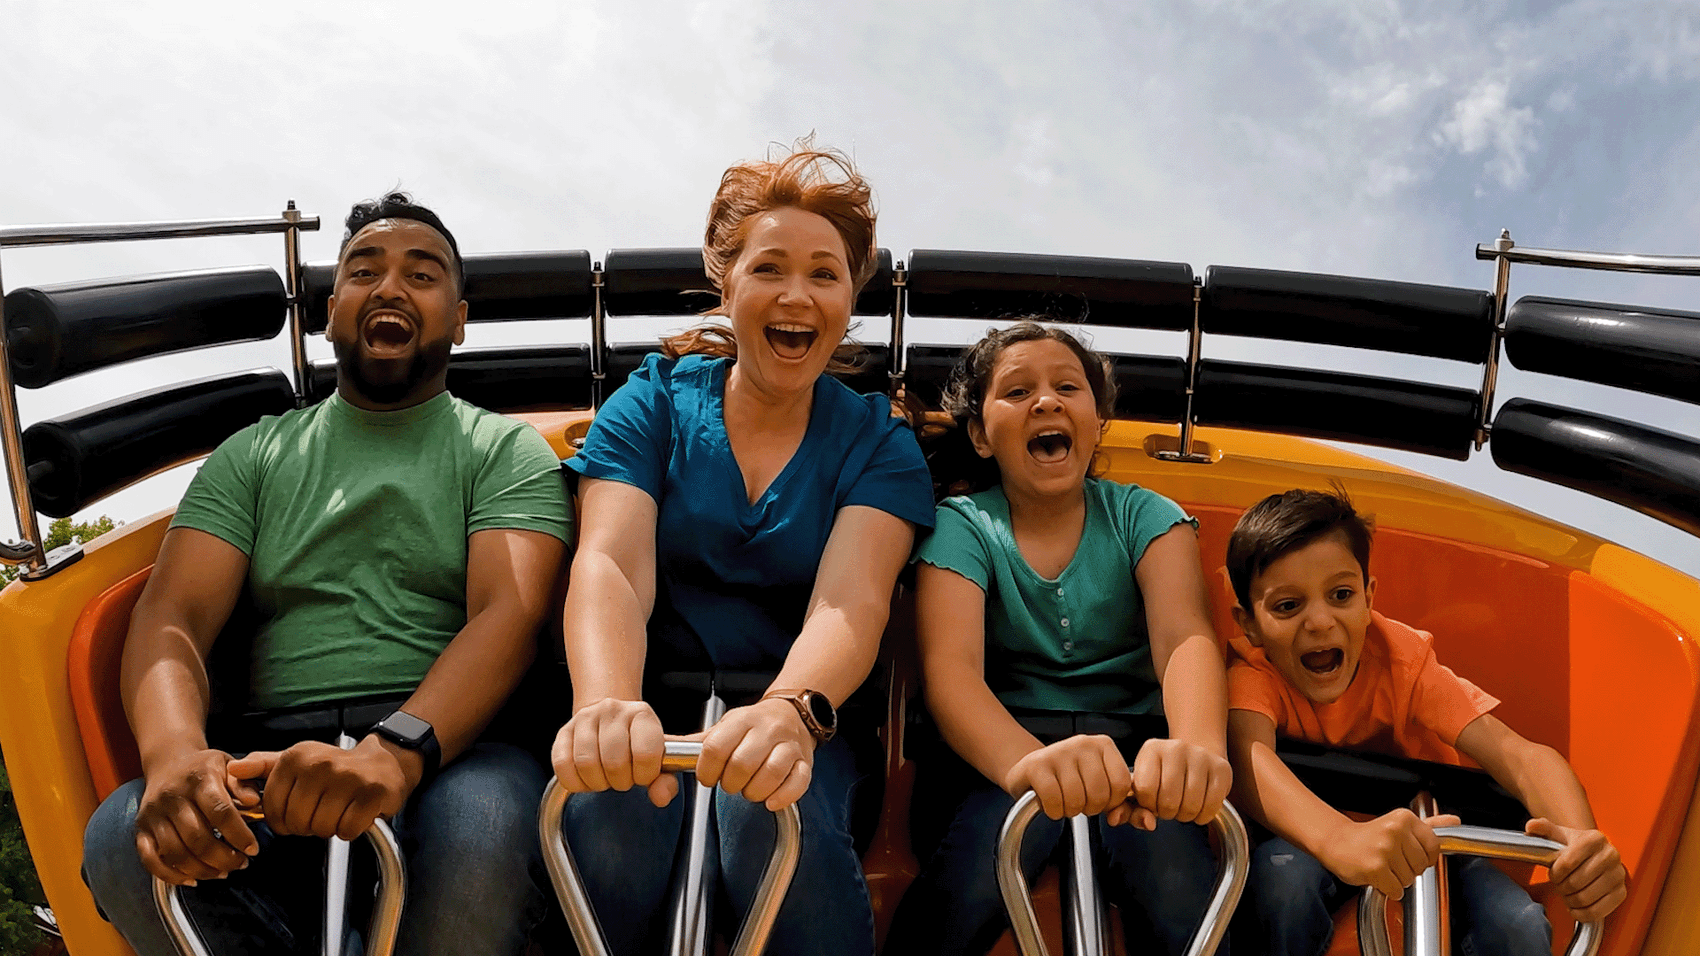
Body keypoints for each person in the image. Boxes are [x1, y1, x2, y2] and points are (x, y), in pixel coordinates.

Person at [81, 193, 572, 956]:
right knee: (122, 835)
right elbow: (172, 616)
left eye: (422, 274)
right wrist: (175, 754)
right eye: (363, 271)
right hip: (268, 758)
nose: (389, 288)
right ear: (330, 306)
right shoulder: (254, 454)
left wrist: (392, 753)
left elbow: (509, 615)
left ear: (460, 316)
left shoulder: (500, 449)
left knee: (481, 829)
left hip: (450, 755)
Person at [551, 146, 935, 956]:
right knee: (607, 814)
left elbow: (852, 600)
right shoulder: (649, 402)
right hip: (648, 708)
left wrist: (790, 714)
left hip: (804, 725)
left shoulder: (879, 443)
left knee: (766, 806)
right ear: (726, 282)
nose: (797, 294)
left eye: (825, 275)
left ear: (848, 299)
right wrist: (605, 708)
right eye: (770, 268)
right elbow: (612, 563)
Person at [885, 321, 1233, 956]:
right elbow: (953, 673)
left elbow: (1184, 636)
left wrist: (1197, 749)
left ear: (1097, 421)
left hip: (1135, 756)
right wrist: (1026, 764)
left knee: (1177, 882)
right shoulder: (963, 527)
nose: (1046, 401)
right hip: (997, 754)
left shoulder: (1145, 516)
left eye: (1067, 387)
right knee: (980, 869)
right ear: (980, 436)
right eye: (1017, 392)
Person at [1223, 488, 1628, 956]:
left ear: (1369, 597)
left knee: (1515, 925)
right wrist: (1340, 840)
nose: (1319, 621)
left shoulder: (1401, 661)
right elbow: (1247, 754)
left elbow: (1519, 755)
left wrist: (1580, 842)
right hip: (1312, 843)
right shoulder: (1252, 673)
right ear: (1249, 623)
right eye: (1288, 606)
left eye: (1341, 595)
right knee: (1283, 882)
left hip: (1429, 845)